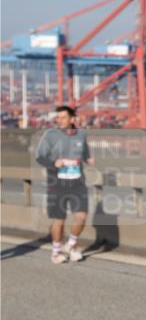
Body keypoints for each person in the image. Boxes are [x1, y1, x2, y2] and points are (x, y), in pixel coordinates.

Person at [34, 106, 94, 264]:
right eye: (58, 117)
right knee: (59, 219)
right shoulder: (50, 135)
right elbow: (39, 157)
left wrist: (89, 159)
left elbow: (85, 153)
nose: (59, 120)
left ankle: (71, 245)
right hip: (57, 183)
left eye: (63, 117)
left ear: (72, 119)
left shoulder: (81, 134)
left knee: (81, 216)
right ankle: (56, 252)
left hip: (77, 182)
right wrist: (54, 163)